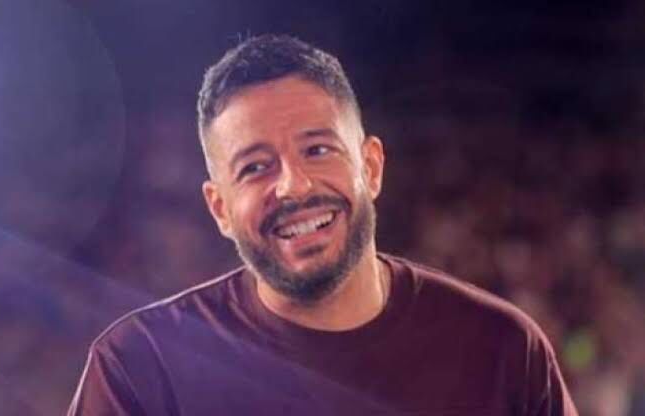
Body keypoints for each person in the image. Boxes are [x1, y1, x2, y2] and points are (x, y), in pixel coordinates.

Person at [68, 34, 578, 415]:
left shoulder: (503, 349)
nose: (293, 186)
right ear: (220, 208)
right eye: (255, 167)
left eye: (317, 150)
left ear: (371, 167)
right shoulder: (140, 367)